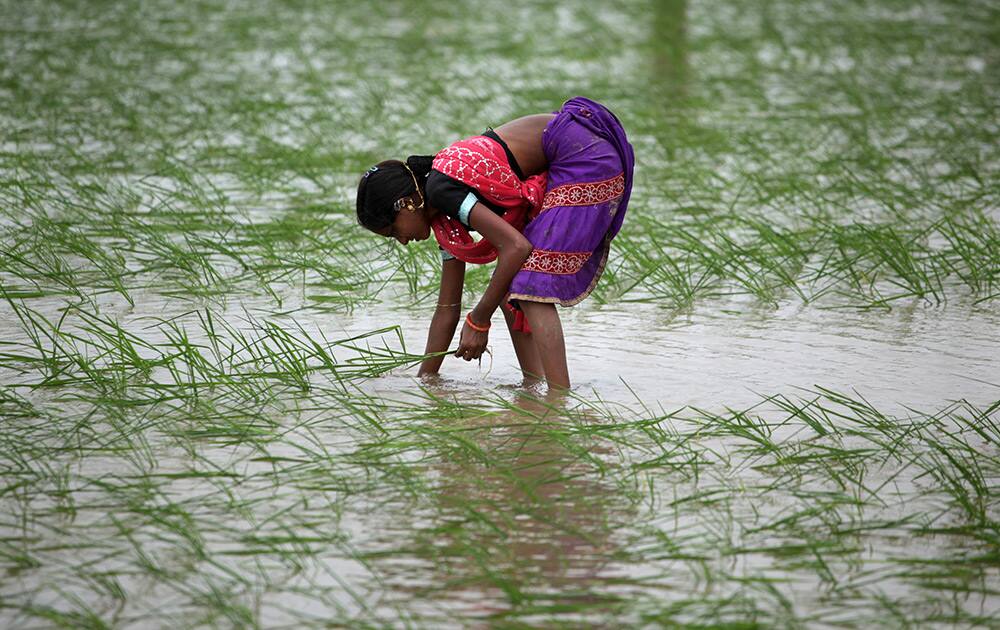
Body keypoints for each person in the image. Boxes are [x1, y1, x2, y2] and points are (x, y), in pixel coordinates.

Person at [356, 97, 634, 389]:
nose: (401, 241)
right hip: (578, 151)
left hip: (585, 155)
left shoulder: (441, 190)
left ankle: (558, 401)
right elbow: (447, 309)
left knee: (529, 287)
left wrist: (479, 320)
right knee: (509, 290)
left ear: (406, 205)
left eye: (392, 231)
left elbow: (516, 247)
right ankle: (533, 388)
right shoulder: (444, 219)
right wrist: (426, 380)